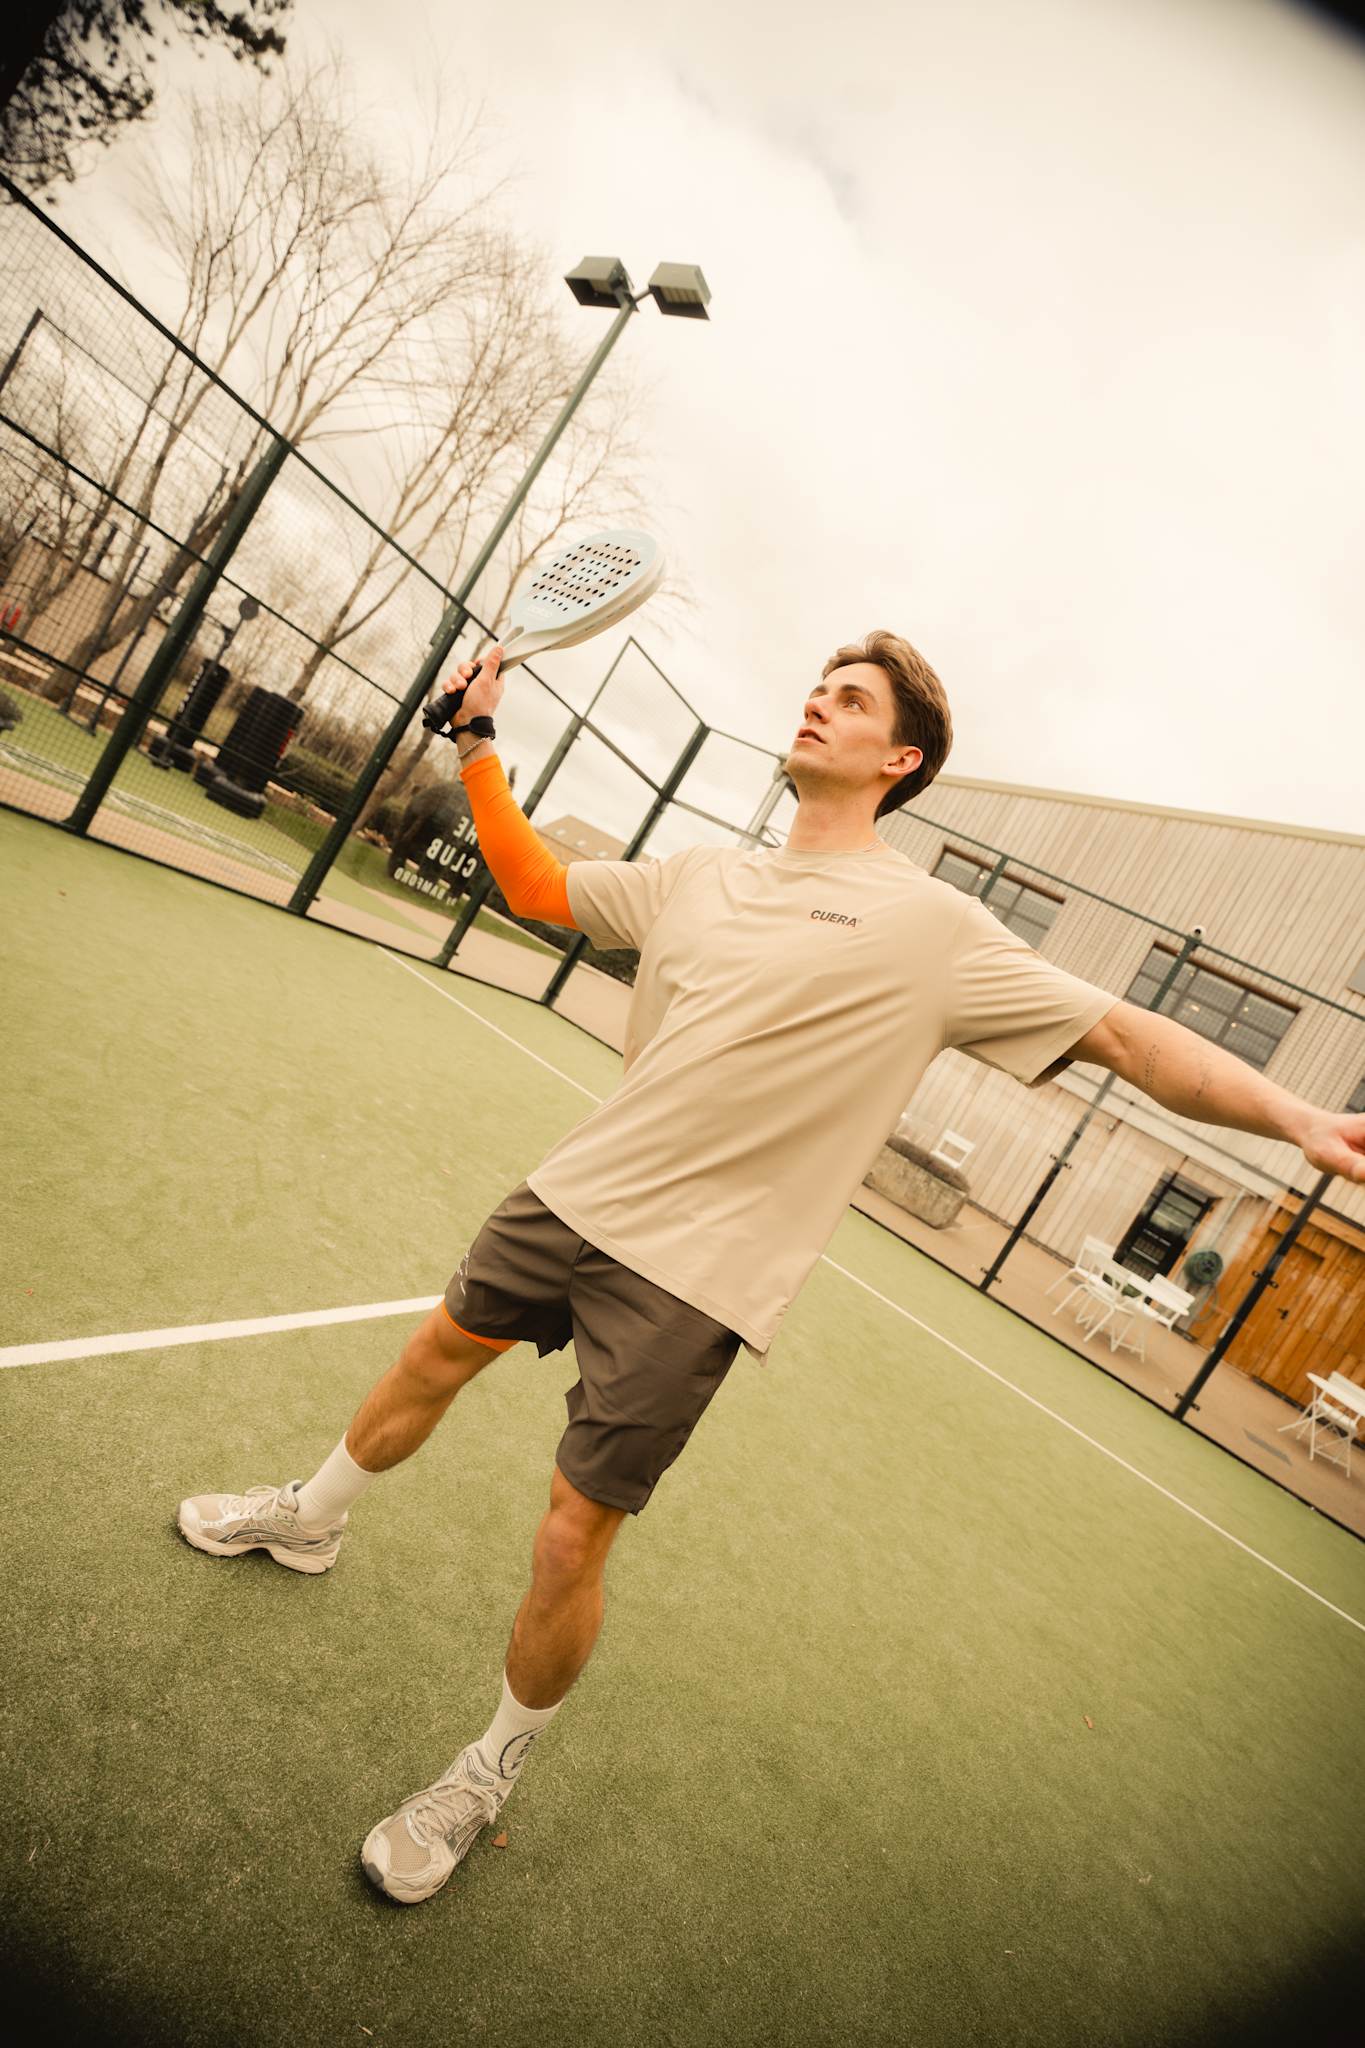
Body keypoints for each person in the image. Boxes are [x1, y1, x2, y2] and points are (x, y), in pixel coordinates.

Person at [177, 629, 1365, 1907]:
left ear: (900, 760)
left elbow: (1132, 1039)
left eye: (851, 700)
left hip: (701, 1272)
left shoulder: (935, 929)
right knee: (430, 1355)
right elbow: (530, 879)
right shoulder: (702, 873)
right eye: (817, 687)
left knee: (572, 1533)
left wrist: (1297, 1118)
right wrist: (476, 738)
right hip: (575, 1188)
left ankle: (485, 1768)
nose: (818, 704)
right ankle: (310, 1518)